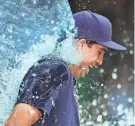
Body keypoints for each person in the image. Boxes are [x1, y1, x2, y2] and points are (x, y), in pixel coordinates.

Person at [5, 11, 126, 126]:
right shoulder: (55, 70)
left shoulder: (65, 79)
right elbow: (15, 123)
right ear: (81, 44)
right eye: (100, 52)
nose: (100, 62)